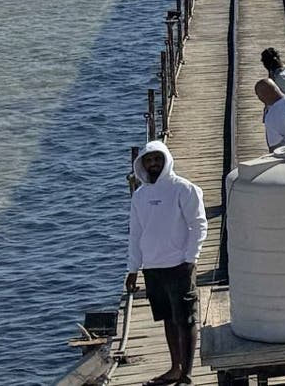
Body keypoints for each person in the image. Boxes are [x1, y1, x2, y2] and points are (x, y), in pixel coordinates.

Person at [125, 141, 208, 386]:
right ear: (142, 164)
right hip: (152, 268)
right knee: (167, 319)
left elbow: (199, 224)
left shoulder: (183, 188)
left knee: (186, 319)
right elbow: (135, 234)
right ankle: (174, 368)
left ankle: (187, 373)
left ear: (166, 160)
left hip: (179, 265)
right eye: (148, 161)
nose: (153, 164)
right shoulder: (140, 195)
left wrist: (191, 258)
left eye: (157, 159)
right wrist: (132, 270)